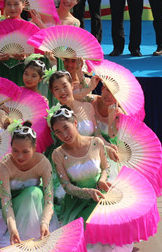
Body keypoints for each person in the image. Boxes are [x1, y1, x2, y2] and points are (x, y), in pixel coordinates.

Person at [49, 106, 127, 252]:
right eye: (58, 132)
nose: (64, 134)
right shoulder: (58, 154)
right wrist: (88, 192)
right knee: (88, 230)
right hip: (78, 201)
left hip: (102, 196)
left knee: (110, 225)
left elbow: (105, 167)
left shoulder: (96, 142)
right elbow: (67, 186)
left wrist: (102, 180)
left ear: (75, 123)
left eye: (66, 128)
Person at [0, 122, 55, 247]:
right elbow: (6, 201)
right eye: (15, 150)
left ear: (34, 148)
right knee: (31, 194)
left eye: (25, 151)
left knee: (35, 193)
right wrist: (12, 228)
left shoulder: (43, 163)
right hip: (13, 208)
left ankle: (36, 231)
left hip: (36, 207)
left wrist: (45, 222)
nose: (19, 156)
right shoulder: (5, 165)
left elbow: (49, 199)